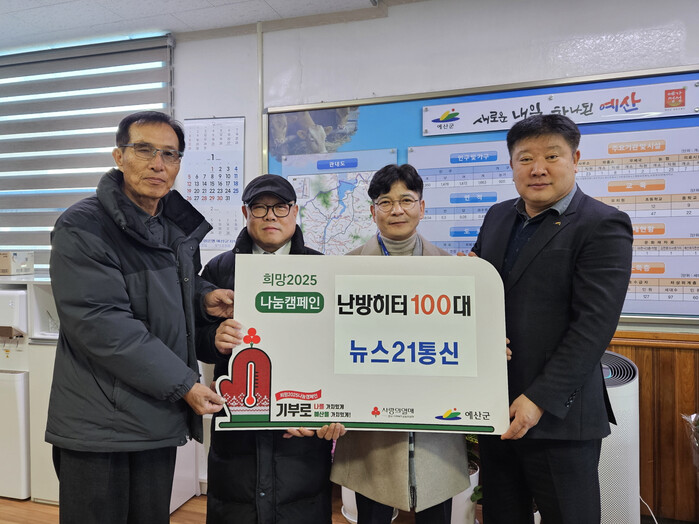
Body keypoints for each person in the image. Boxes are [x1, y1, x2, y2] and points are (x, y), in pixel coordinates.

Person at [46, 111, 236, 524]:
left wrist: (204, 298)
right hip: (100, 425)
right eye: (144, 150)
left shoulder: (170, 227)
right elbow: (103, 324)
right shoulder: (83, 226)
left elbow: (165, 292)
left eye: (169, 154)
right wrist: (185, 384)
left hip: (155, 415)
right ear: (119, 156)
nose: (157, 164)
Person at [470, 114, 633, 524]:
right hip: (495, 409)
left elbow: (593, 326)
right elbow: (481, 292)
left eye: (551, 156)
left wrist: (539, 399)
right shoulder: (497, 216)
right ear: (512, 165)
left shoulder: (602, 223)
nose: (537, 168)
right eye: (525, 158)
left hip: (560, 418)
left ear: (575, 159)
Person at [195, 174, 345, 524]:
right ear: (245, 213)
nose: (271, 216)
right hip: (239, 423)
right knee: (236, 508)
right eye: (260, 207)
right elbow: (195, 338)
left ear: (295, 211)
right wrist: (213, 339)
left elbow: (337, 347)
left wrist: (334, 406)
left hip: (302, 426)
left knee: (300, 508)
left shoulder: (323, 268)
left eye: (280, 207)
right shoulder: (219, 269)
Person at [330, 163, 471, 524]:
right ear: (372, 211)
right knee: (372, 513)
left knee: (436, 513)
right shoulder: (344, 268)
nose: (397, 210)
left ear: (421, 207)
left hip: (435, 424)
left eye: (406, 200)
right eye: (385, 202)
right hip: (370, 427)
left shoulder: (452, 269)